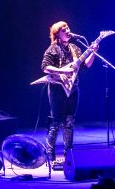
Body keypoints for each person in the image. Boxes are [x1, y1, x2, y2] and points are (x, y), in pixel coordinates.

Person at [40, 21, 99, 169]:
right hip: (57, 89)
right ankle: (50, 155)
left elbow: (85, 65)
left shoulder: (75, 48)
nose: (67, 30)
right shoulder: (53, 49)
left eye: (67, 27)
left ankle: (69, 155)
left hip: (73, 88)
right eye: (63, 29)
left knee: (69, 122)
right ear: (57, 34)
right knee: (55, 122)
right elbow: (45, 67)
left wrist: (93, 52)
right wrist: (62, 71)